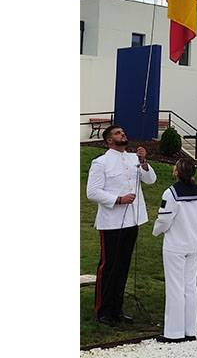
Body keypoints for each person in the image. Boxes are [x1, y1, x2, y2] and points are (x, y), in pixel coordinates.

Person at [85, 125, 156, 327]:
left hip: (132, 220)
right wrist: (118, 199)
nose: (123, 134)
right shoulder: (101, 162)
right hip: (111, 222)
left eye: (123, 132)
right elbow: (92, 192)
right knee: (109, 267)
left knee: (123, 266)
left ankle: (117, 309)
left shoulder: (134, 158)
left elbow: (151, 180)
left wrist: (143, 162)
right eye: (117, 133)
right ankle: (103, 310)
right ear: (109, 140)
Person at [151, 158, 197, 343]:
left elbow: (165, 219)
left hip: (175, 245)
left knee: (175, 287)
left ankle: (173, 333)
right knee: (190, 286)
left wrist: (156, 231)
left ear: (177, 172)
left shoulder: (171, 192)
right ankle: (190, 330)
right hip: (193, 243)